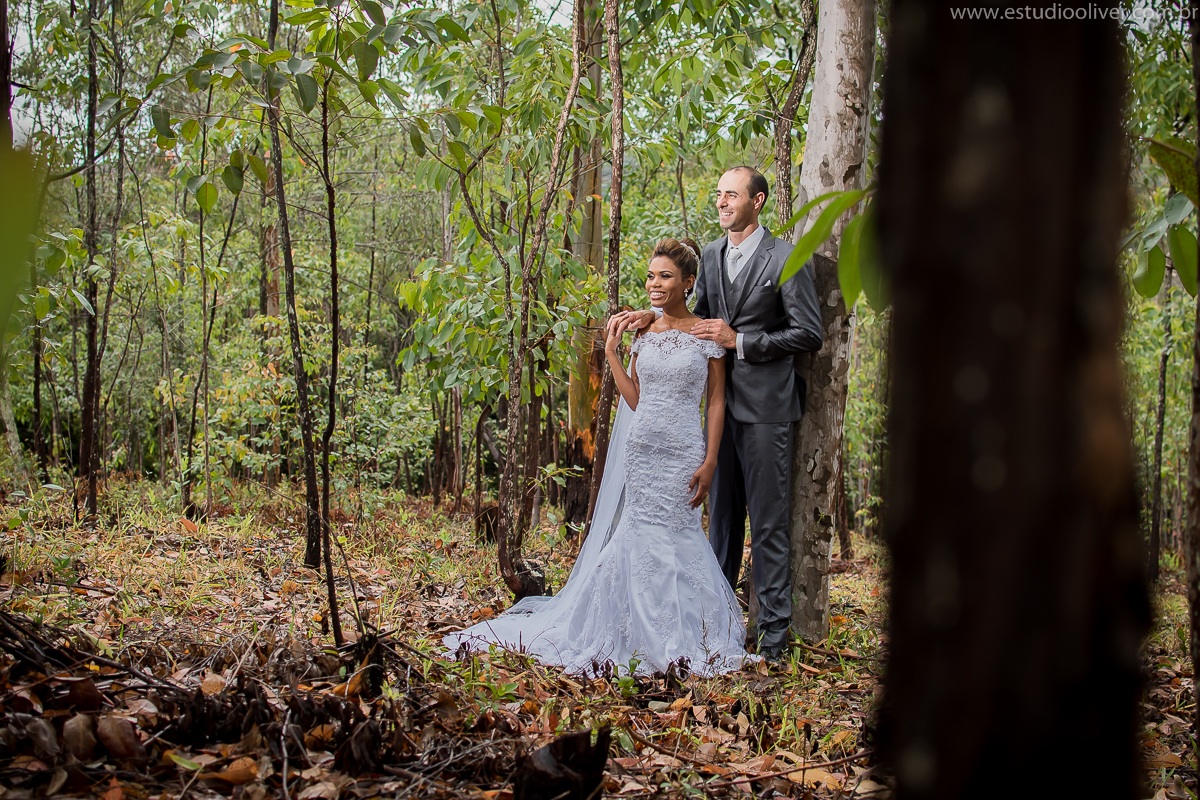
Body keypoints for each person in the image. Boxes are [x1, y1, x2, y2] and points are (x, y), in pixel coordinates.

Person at [444, 238, 751, 676]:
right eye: (650, 276)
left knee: (679, 532)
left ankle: (687, 635)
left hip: (684, 448)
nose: (654, 284)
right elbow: (636, 400)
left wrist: (711, 460)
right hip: (643, 448)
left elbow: (717, 401)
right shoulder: (642, 332)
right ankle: (629, 629)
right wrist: (610, 353)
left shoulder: (706, 334)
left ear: (688, 283)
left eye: (665, 276)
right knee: (639, 533)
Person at [609, 167, 823, 662]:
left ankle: (772, 639)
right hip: (708, 416)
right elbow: (693, 319)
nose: (722, 202)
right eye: (719, 194)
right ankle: (715, 628)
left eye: (732, 194)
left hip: (767, 408)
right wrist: (649, 315)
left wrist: (741, 341)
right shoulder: (707, 255)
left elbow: (808, 332)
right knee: (720, 524)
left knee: (768, 524)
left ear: (758, 201)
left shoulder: (787, 258)